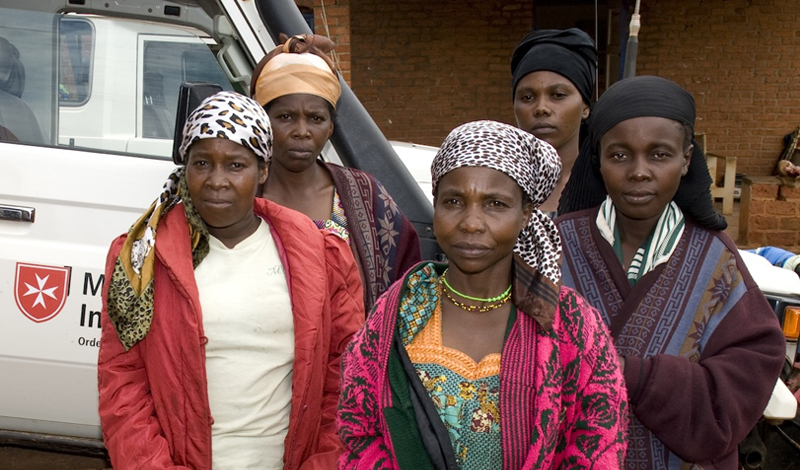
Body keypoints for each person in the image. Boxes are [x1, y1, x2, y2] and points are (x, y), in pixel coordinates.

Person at [338, 120, 628, 470]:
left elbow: (598, 445)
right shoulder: (399, 312)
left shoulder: (572, 325)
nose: (471, 222)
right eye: (454, 201)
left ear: (525, 215)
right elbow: (359, 428)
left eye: (495, 204)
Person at [98, 91, 364, 470]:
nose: (216, 181)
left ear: (263, 171)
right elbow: (122, 384)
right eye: (202, 162)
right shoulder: (142, 258)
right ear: (184, 167)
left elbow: (347, 380)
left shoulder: (323, 256)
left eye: (236, 165)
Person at [556, 76, 786, 469]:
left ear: (686, 159)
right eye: (620, 155)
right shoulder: (556, 244)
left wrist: (639, 376)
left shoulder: (716, 259)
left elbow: (751, 367)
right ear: (597, 159)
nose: (639, 171)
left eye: (659, 154)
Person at [250, 34, 421, 311]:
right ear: (263, 122)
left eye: (316, 119)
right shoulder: (241, 194)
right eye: (285, 117)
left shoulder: (364, 195)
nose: (302, 131)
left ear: (330, 128)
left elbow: (405, 282)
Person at [510, 28, 597, 214]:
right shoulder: (497, 184)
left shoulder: (607, 189)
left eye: (557, 95)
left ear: (585, 107)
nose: (541, 108)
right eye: (527, 97)